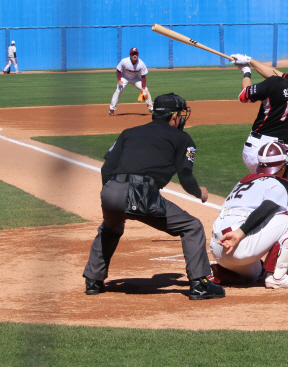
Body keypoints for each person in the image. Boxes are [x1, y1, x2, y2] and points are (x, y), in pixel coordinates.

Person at [83, 93, 225, 301]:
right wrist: (199, 192)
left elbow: (107, 168)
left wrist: (113, 194)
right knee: (191, 226)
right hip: (141, 192)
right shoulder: (183, 138)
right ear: (175, 116)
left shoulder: (129, 133)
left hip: (111, 189)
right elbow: (185, 176)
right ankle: (199, 284)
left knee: (110, 227)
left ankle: (93, 281)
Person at [210, 142, 288, 289]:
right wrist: (239, 233)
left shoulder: (244, 181)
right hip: (237, 243)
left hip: (218, 248)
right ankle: (278, 276)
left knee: (257, 275)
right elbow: (267, 208)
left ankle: (218, 271)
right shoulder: (281, 183)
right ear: (282, 166)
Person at [230, 49, 288, 173]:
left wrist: (246, 72)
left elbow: (244, 96)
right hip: (282, 151)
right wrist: (249, 60)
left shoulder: (273, 83)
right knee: (274, 188)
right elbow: (280, 76)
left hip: (257, 148)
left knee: (266, 188)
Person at [109, 47, 153, 116]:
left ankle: (151, 108)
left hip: (135, 78)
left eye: (136, 53)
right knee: (118, 90)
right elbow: (118, 70)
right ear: (130, 55)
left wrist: (143, 87)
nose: (134, 55)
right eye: (133, 54)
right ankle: (112, 109)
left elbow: (143, 77)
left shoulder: (141, 64)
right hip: (124, 77)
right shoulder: (124, 61)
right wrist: (119, 80)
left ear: (138, 54)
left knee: (145, 90)